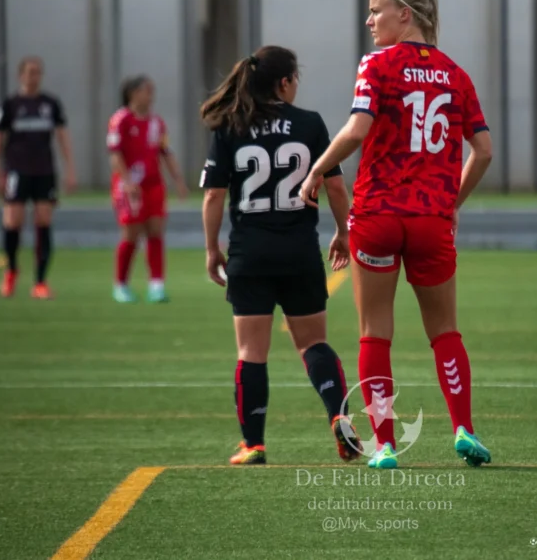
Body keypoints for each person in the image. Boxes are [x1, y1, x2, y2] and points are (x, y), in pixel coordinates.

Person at [299, 0, 494, 469]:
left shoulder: (378, 65)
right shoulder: (456, 73)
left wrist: (318, 169)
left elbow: (357, 129)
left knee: (374, 331)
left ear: (404, 15)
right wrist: (452, 202)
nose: (369, 20)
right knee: (445, 330)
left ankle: (384, 444)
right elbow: (485, 151)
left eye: (376, 10)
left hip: (379, 214)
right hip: (431, 218)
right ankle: (464, 429)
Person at [201, 46, 361, 466]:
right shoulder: (309, 124)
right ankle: (339, 419)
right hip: (298, 252)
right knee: (314, 344)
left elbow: (214, 194)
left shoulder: (231, 125)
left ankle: (253, 445)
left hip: (249, 255)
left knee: (251, 352)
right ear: (285, 82)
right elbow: (337, 188)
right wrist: (344, 233)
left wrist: (210, 247)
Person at [0, 57, 77, 300]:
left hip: (44, 171)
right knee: (13, 221)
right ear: (21, 75)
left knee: (43, 221)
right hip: (16, 171)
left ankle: (40, 281)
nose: (33, 76)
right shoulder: (10, 105)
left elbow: (62, 137)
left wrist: (70, 169)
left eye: (38, 72)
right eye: (29, 72)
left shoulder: (50, 104)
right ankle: (11, 269)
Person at [108, 75, 188, 303]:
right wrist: (127, 182)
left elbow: (166, 152)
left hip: (153, 184)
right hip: (129, 187)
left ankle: (156, 285)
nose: (151, 95)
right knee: (131, 234)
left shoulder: (156, 122)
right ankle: (121, 285)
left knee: (155, 231)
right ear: (133, 93)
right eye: (147, 90)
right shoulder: (120, 120)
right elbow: (115, 155)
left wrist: (178, 180)